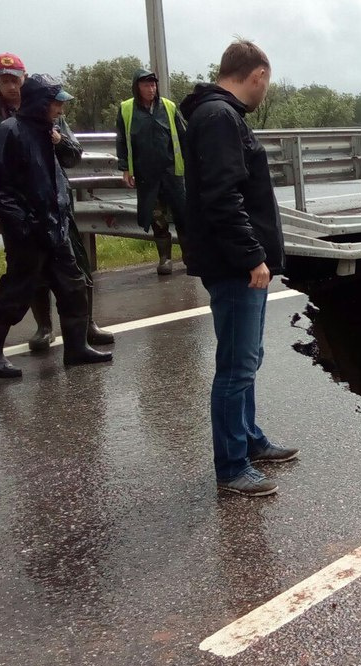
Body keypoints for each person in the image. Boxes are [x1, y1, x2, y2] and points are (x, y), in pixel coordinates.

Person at [181, 40, 297, 497]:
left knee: (246, 361)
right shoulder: (219, 118)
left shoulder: (221, 116)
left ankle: (248, 441)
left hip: (239, 261)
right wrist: (252, 256)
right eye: (266, 81)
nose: (265, 89)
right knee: (235, 366)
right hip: (235, 265)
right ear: (258, 75)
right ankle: (231, 467)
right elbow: (223, 197)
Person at [0, 52, 113, 352]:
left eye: (15, 80)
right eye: (4, 80)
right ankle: (42, 328)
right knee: (25, 277)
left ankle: (83, 331)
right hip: (23, 212)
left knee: (73, 273)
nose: (11, 86)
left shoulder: (50, 115)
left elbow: (72, 155)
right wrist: (5, 163)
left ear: (24, 79)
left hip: (56, 210)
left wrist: (59, 140)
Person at [115, 69, 188, 276]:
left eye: (153, 84)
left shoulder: (168, 106)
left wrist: (190, 164)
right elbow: (121, 140)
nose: (151, 89)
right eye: (146, 85)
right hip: (147, 174)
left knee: (183, 215)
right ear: (137, 87)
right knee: (157, 218)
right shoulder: (127, 109)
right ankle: (165, 258)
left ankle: (190, 256)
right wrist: (125, 169)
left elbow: (183, 136)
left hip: (172, 171)